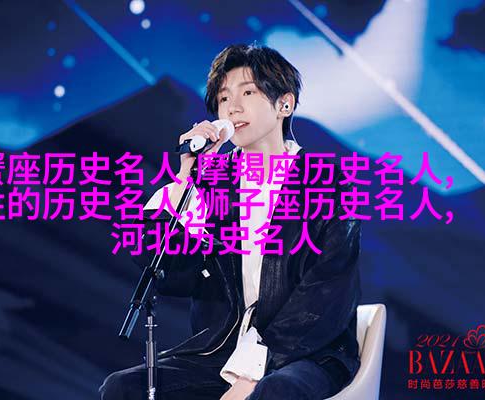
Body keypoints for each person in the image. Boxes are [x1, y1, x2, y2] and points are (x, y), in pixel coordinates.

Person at [100, 43, 362, 400]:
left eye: (248, 93)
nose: (233, 107)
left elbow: (326, 289)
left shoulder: (326, 181)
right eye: (223, 98)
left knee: (276, 391)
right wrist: (186, 176)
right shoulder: (212, 181)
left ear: (284, 104)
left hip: (306, 352)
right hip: (220, 350)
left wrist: (251, 371)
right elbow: (162, 267)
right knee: (122, 388)